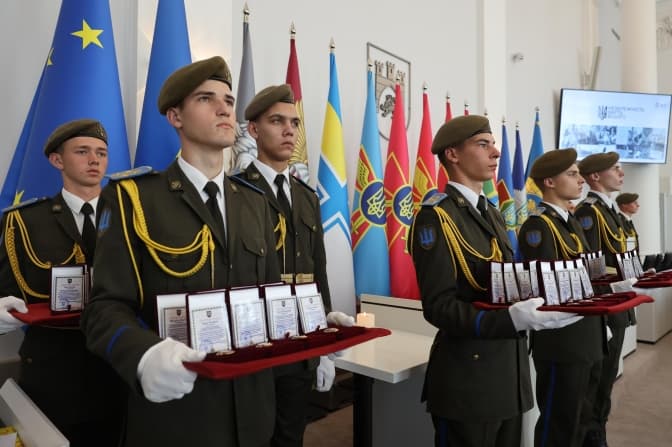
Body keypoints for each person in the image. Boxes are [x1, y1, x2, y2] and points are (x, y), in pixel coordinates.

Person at [81, 57, 281, 447]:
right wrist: (142, 355)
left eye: (228, 100)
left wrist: (316, 326)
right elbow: (103, 309)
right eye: (206, 99)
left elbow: (270, 295)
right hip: (180, 413)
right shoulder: (134, 198)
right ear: (175, 117)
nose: (225, 108)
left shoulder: (255, 202)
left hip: (253, 410)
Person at [409, 115, 582, 447]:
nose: (496, 152)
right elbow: (439, 306)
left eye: (493, 143)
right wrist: (509, 319)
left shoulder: (492, 213)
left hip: (508, 372)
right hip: (468, 378)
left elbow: (501, 283)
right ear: (452, 154)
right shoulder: (437, 217)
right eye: (482, 144)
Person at [235, 84, 349, 447]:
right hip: (255, 345)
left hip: (300, 344)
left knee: (291, 438)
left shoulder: (306, 196)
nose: (289, 131)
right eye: (277, 121)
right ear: (254, 130)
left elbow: (318, 272)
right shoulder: (235, 191)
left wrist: (323, 344)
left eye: (294, 123)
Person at [0, 119, 123, 446]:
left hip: (119, 368)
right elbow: (6, 291)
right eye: (82, 152)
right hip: (54, 371)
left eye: (101, 153)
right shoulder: (26, 221)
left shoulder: (130, 216)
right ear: (57, 160)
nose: (94, 160)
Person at [518, 148, 607, 447]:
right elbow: (547, 287)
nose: (581, 180)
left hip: (587, 335)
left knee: (582, 421)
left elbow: (588, 274)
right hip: (563, 342)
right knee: (560, 424)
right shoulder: (538, 225)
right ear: (549, 182)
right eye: (572, 174)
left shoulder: (570, 221)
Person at [574, 152, 635, 447]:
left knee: (606, 379)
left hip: (617, 302)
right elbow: (592, 267)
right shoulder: (589, 213)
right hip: (604, 306)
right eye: (615, 169)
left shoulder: (611, 212)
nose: (621, 174)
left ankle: (599, 430)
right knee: (595, 382)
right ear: (596, 176)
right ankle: (592, 436)